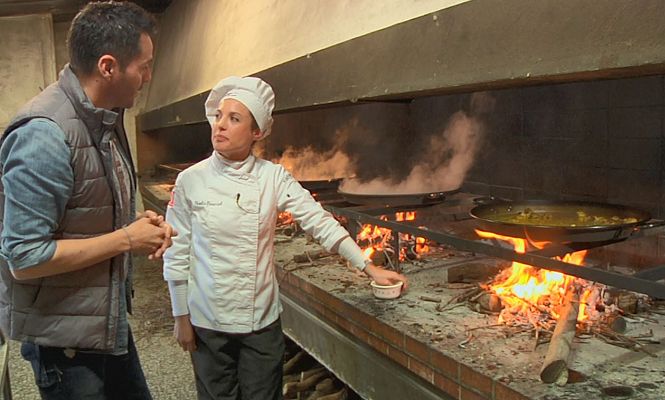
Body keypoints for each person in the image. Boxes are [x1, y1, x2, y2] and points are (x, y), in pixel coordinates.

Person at [163, 75, 408, 400]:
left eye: (234, 119)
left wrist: (368, 266)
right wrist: (181, 316)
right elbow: (176, 251)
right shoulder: (190, 181)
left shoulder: (272, 178)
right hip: (209, 323)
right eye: (219, 115)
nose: (220, 125)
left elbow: (319, 221)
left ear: (257, 133)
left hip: (260, 325)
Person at [0, 2, 173, 399]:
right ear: (108, 67)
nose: (147, 77)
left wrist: (138, 224)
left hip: (103, 324)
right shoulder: (44, 135)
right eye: (143, 66)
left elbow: (89, 207)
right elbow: (24, 258)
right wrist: (127, 239)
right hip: (66, 348)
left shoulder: (104, 118)